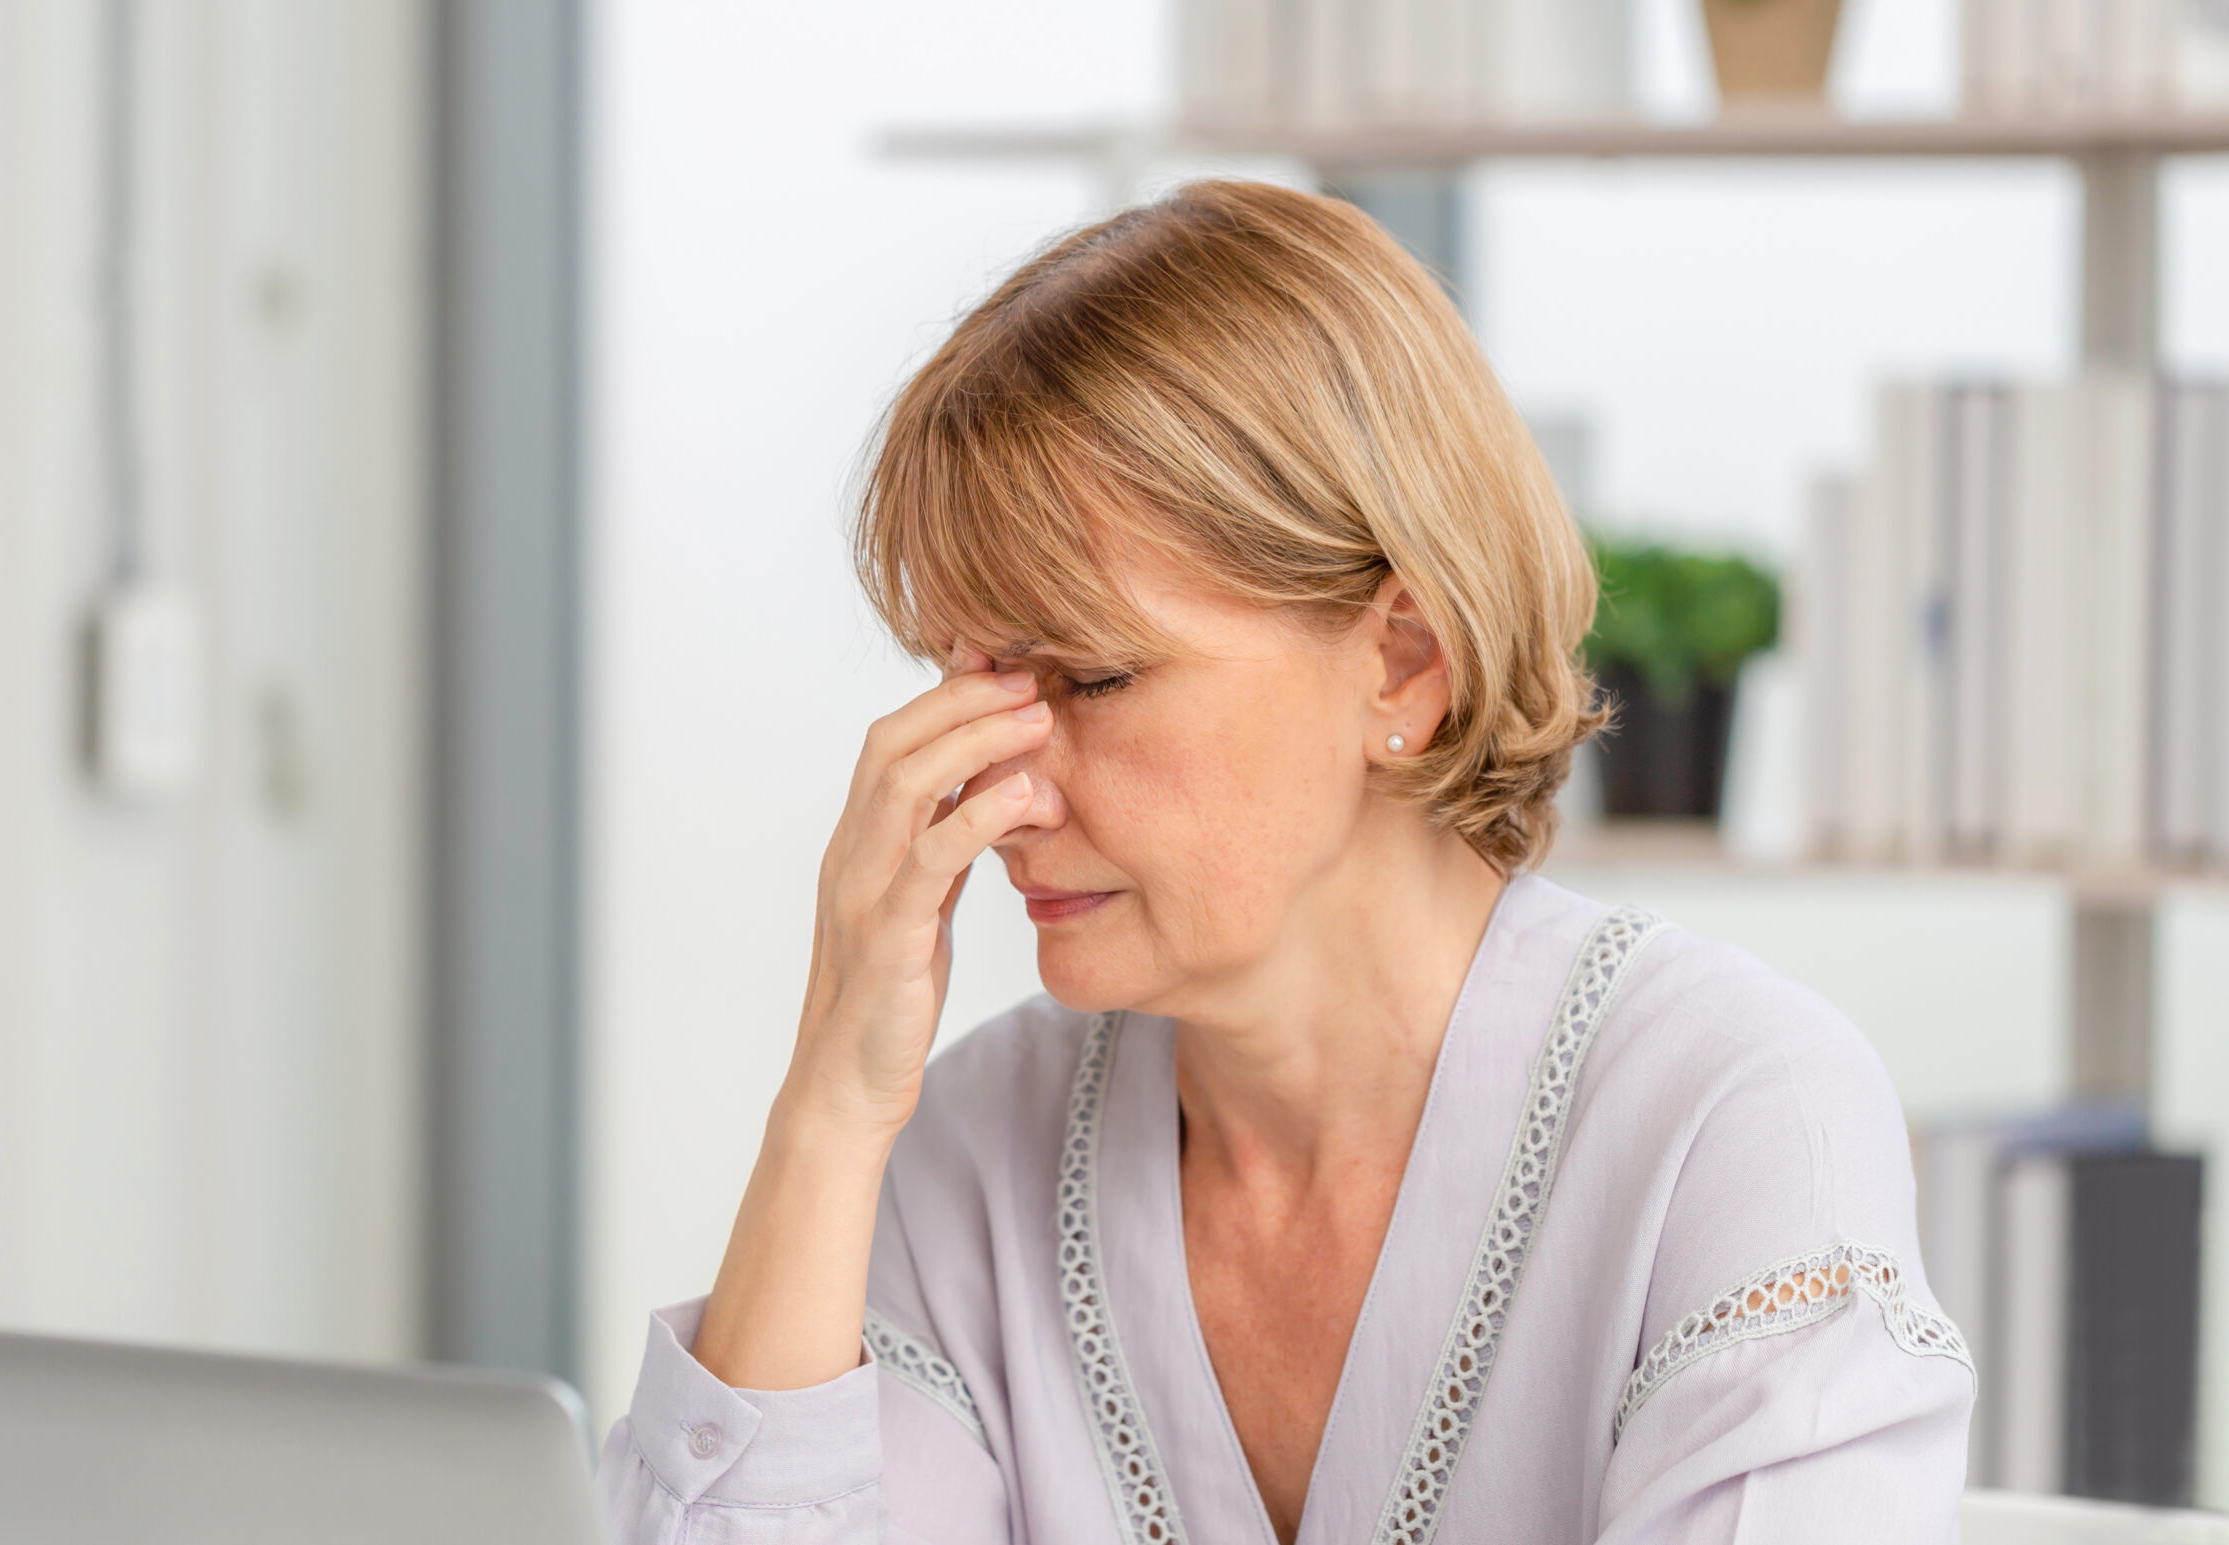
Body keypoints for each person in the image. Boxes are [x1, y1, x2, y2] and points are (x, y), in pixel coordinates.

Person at [598, 180, 1972, 1544]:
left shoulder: (1732, 1120)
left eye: (1087, 677)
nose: (999, 793)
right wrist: (832, 1096)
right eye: (970, 686)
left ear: (1404, 660)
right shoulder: (969, 1151)